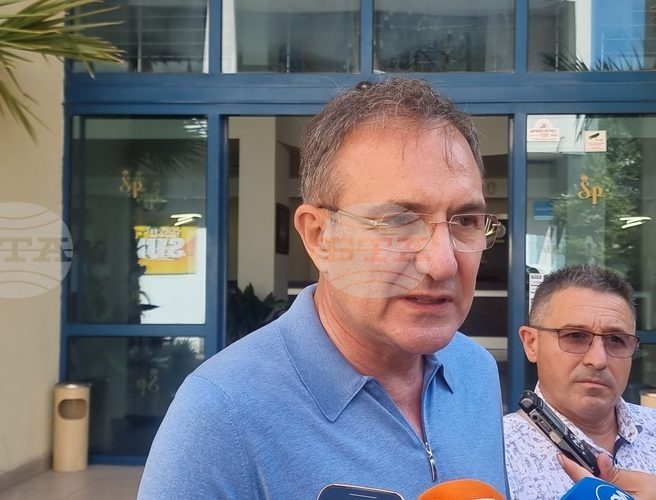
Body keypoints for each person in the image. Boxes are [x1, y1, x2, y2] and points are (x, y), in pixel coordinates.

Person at [138, 78, 509, 499]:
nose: (443, 263)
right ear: (319, 237)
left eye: (466, 221)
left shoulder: (476, 371)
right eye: (398, 221)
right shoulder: (221, 413)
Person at [503, 264, 656, 499]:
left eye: (616, 340)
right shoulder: (497, 453)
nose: (598, 360)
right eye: (575, 336)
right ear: (531, 343)